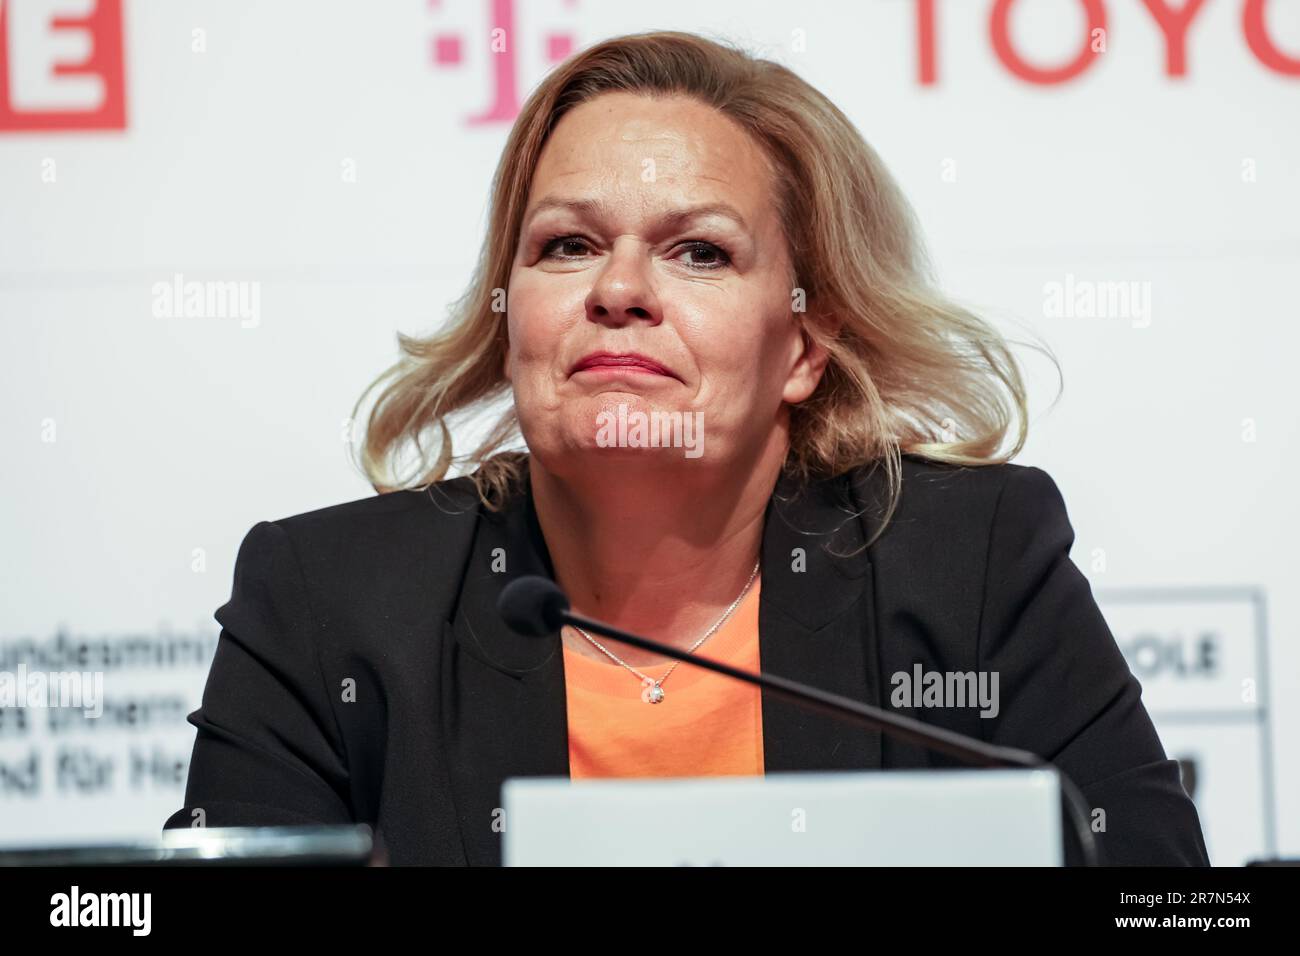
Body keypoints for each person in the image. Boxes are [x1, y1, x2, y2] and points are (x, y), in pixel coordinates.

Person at [164, 30, 1209, 866]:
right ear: (507, 312)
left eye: (698, 250)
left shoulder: (971, 568)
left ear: (803, 342)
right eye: (566, 245)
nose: (617, 290)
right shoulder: (328, 602)